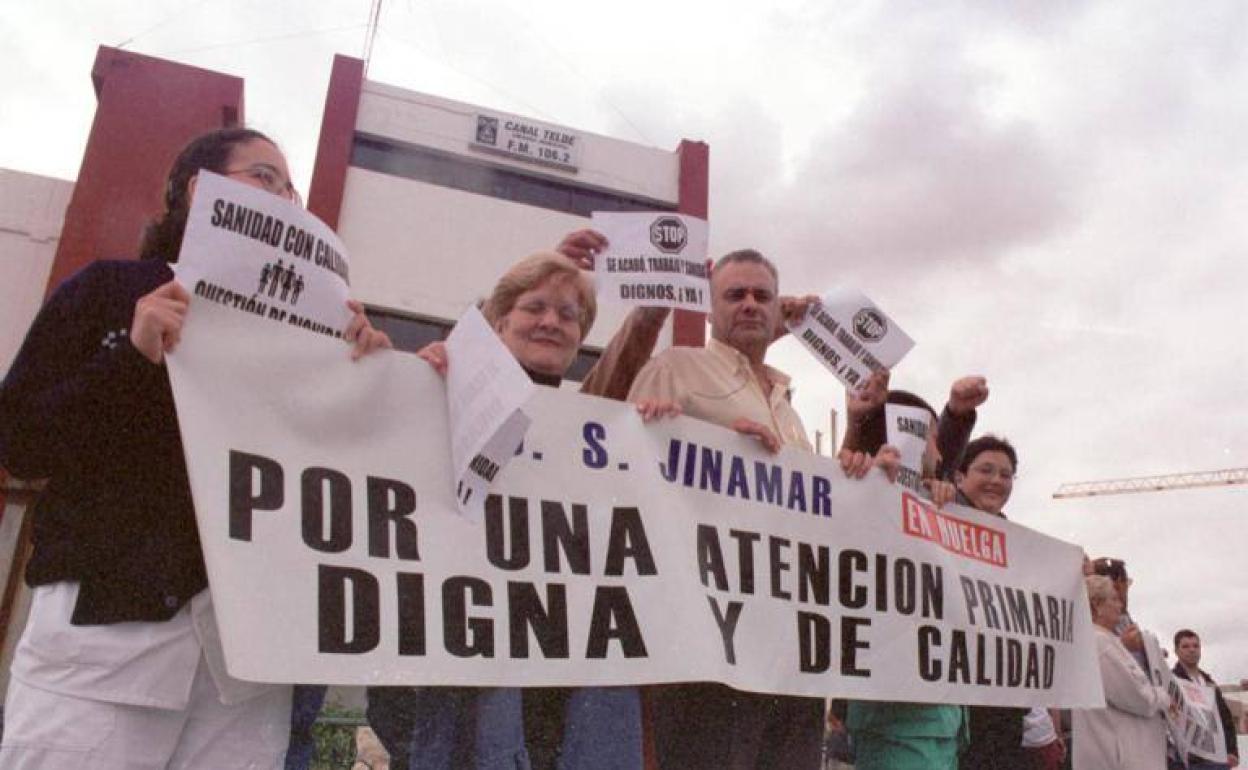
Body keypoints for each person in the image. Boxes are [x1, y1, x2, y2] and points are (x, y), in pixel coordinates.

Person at [0, 127, 390, 769]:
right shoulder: (111, 289)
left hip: (245, 668)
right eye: (263, 176)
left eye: (289, 189)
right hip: (109, 637)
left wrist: (365, 378)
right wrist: (131, 357)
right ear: (198, 189)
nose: (282, 196)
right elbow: (21, 440)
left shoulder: (312, 333)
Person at [368, 246, 648, 770]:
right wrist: (419, 386)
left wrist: (661, 433)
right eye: (534, 308)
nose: (551, 322)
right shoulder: (439, 382)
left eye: (568, 316)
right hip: (461, 674)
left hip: (560, 683)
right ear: (497, 323)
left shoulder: (594, 429)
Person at [627, 248, 874, 769]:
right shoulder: (675, 367)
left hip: (788, 648)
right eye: (734, 294)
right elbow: (629, 466)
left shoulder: (787, 406)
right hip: (707, 646)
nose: (749, 305)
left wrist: (858, 465)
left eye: (762, 295)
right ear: (711, 308)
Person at [952, 435, 1030, 770]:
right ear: (958, 477)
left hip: (1003, 706)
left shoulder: (1017, 543)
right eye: (986, 470)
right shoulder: (937, 514)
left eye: (1006, 474)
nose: (997, 481)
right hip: (953, 702)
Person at [1072, 575, 1169, 770]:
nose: (1120, 605)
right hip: (1120, 757)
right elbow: (1140, 699)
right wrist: (1164, 696)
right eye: (1114, 599)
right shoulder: (1101, 645)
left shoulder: (1102, 641)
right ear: (1096, 606)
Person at [1168, 629, 1239, 770]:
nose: (1192, 650)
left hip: (1216, 758)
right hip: (1186, 759)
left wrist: (1232, 750)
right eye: (1186, 646)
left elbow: (1225, 718)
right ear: (1176, 650)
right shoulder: (1171, 681)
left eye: (1195, 646)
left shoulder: (1209, 683)